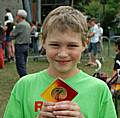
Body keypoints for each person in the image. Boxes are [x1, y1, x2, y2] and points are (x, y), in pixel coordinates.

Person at [3, 6, 117, 118]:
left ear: (84, 44)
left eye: (72, 45)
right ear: (43, 42)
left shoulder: (99, 90)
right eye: (55, 45)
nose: (62, 54)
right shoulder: (24, 86)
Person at [11, 9, 31, 77]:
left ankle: (24, 78)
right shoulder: (27, 24)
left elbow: (12, 34)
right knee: (24, 63)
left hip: (20, 46)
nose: (16, 17)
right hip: (26, 45)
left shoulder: (20, 25)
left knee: (20, 64)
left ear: (19, 16)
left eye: (16, 15)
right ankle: (24, 77)